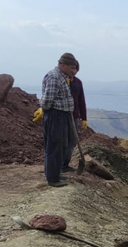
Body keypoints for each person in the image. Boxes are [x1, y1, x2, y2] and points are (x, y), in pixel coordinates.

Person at [39, 53, 78, 187]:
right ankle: (52, 178)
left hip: (62, 115)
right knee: (54, 146)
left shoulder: (62, 77)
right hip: (56, 116)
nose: (72, 70)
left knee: (61, 146)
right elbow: (48, 100)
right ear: (63, 65)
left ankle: (55, 173)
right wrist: (45, 110)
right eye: (71, 67)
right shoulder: (55, 77)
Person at [63, 62, 88, 172]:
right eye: (72, 68)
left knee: (72, 141)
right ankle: (56, 165)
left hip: (74, 115)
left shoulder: (78, 83)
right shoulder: (62, 81)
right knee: (62, 140)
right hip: (62, 115)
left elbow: (81, 101)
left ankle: (65, 165)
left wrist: (84, 118)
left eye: (76, 69)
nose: (73, 71)